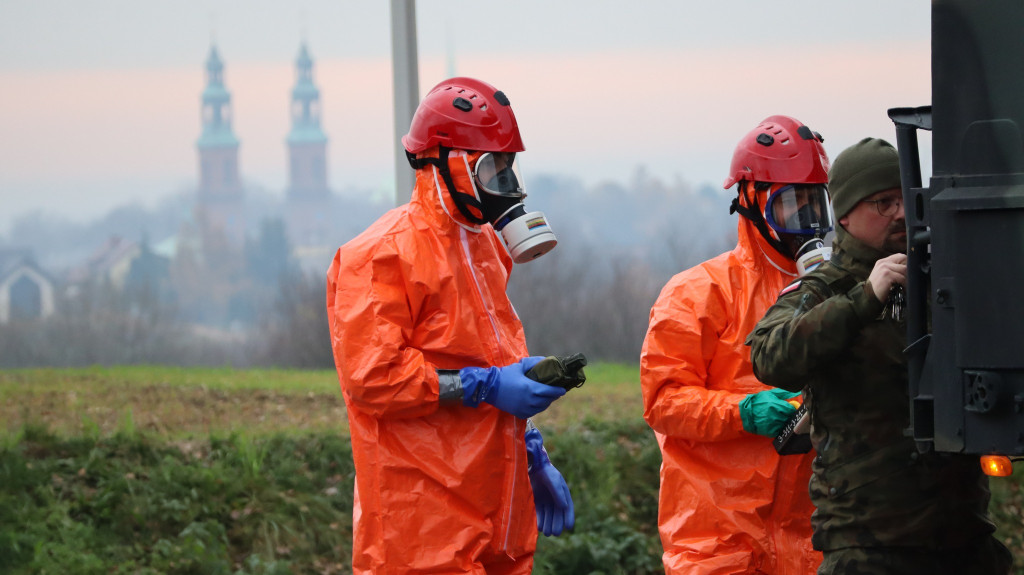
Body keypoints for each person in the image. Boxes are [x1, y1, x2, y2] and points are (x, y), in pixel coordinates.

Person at [326, 77, 574, 574]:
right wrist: (486, 386)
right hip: (420, 530)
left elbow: (494, 360)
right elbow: (374, 380)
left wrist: (530, 450)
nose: (503, 185)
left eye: (508, 168)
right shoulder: (379, 255)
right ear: (447, 164)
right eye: (491, 168)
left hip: (498, 519)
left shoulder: (484, 248)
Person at [747, 137, 1013, 574]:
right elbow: (770, 357)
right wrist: (863, 298)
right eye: (883, 203)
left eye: (906, 199)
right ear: (846, 215)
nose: (902, 214)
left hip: (964, 536)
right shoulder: (824, 289)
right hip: (869, 545)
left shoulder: (940, 279)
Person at [640, 115, 833, 574]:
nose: (807, 222)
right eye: (792, 205)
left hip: (813, 544)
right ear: (753, 202)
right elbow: (663, 402)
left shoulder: (836, 293)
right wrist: (744, 413)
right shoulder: (697, 293)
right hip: (717, 543)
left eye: (815, 205)